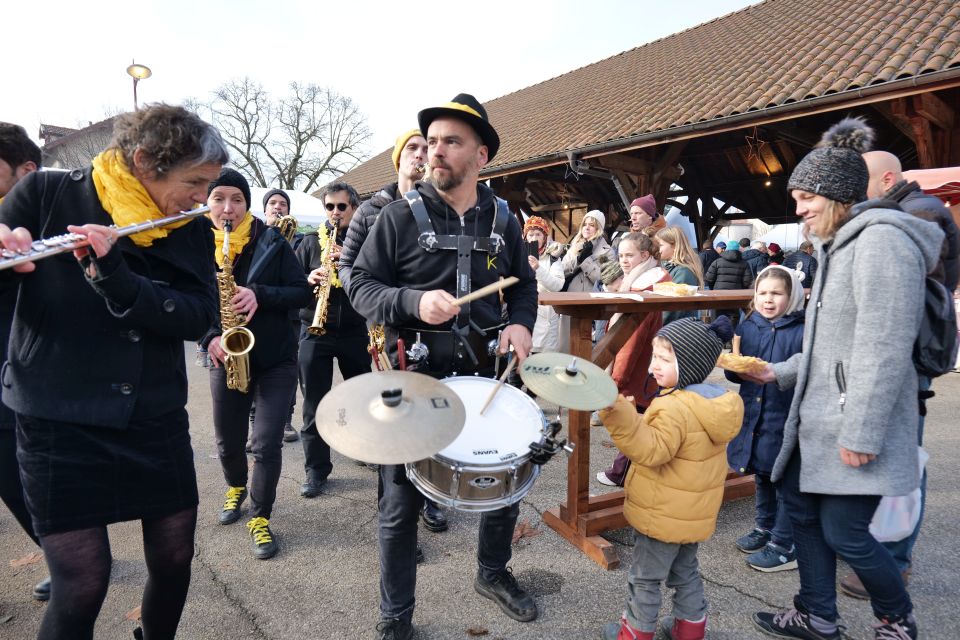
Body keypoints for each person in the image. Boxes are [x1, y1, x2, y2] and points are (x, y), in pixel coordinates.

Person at [0, 105, 227, 639]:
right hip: (59, 418)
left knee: (174, 558)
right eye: (195, 182)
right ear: (146, 161)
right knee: (82, 581)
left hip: (153, 415)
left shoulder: (188, 229)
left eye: (209, 185)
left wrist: (117, 277)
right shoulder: (47, 195)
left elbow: (199, 314)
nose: (203, 198)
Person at [349, 93, 539, 640]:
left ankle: (493, 573)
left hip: (488, 374)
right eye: (431, 142)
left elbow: (523, 286)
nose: (436, 152)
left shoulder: (504, 216)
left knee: (505, 483)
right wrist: (412, 302)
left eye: (451, 142)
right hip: (415, 381)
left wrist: (521, 323)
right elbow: (360, 286)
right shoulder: (395, 217)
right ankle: (396, 618)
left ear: (481, 155)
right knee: (398, 508)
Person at [750, 118, 942, 640]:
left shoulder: (881, 243)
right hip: (816, 420)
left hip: (852, 424)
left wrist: (862, 432)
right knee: (805, 518)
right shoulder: (837, 247)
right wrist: (779, 370)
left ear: (837, 196)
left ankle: (897, 621)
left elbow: (882, 349)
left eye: (807, 197)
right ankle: (817, 615)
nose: (799, 209)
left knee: (846, 533)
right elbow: (828, 346)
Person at [835, 148, 960, 600]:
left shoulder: (919, 213)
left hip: (904, 358)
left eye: (861, 180)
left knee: (903, 458)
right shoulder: (910, 210)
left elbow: (899, 291)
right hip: (898, 354)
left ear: (887, 179)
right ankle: (878, 548)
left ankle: (896, 560)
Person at [599, 317, 743, 640]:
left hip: (662, 515)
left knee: (645, 578)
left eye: (665, 359)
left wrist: (618, 413)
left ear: (690, 364)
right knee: (685, 572)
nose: (653, 366)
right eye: (655, 357)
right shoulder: (712, 403)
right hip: (691, 516)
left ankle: (634, 633)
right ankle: (689, 630)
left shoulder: (674, 408)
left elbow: (651, 450)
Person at [335, 129, 448, 533]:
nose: (421, 155)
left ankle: (432, 499)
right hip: (387, 330)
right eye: (413, 149)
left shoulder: (441, 207)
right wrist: (379, 303)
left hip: (433, 332)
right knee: (395, 423)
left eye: (426, 149)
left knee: (433, 416)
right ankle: (396, 514)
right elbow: (349, 269)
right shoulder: (373, 209)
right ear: (399, 159)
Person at [201, 169, 312, 560]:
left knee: (265, 444)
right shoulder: (194, 244)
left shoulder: (272, 241)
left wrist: (258, 294)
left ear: (248, 204)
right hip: (226, 356)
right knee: (227, 441)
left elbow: (301, 291)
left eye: (237, 200)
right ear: (208, 202)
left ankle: (260, 516)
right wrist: (208, 337)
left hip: (275, 359)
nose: (228, 209)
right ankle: (235, 487)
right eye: (220, 199)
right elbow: (183, 302)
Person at [295, 182, 373, 498]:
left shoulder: (366, 243)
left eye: (342, 207)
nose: (335, 213)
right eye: (330, 207)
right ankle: (316, 470)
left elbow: (378, 280)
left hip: (354, 331)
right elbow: (289, 283)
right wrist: (307, 279)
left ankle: (365, 450)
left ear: (354, 208)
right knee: (314, 403)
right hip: (316, 331)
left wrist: (350, 263)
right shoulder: (310, 243)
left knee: (360, 398)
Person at [0, 123, 51, 602]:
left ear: (25, 170)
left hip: (25, 377)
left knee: (26, 477)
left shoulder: (49, 221)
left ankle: (64, 552)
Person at [726, 265, 805, 573]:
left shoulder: (802, 329)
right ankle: (764, 526)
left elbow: (805, 372)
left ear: (792, 296)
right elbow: (737, 370)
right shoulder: (749, 325)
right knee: (760, 472)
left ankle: (785, 543)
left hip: (784, 415)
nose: (768, 300)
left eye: (777, 293)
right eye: (762, 293)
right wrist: (733, 366)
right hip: (753, 413)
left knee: (783, 478)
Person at [596, 232, 668, 484]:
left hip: (637, 368)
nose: (624, 260)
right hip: (642, 366)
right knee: (639, 420)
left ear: (645, 256)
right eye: (621, 255)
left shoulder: (641, 291)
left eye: (630, 255)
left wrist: (617, 378)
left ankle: (621, 473)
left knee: (633, 423)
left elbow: (631, 341)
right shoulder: (638, 283)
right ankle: (626, 472)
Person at [261, 187, 301, 444]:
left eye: (282, 204)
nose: (278, 207)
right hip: (262, 315)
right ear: (265, 210)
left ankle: (285, 420)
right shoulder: (255, 237)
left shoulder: (299, 241)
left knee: (287, 368)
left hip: (291, 315)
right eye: (273, 203)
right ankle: (257, 422)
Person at [524, 215, 565, 354]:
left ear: (545, 237)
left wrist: (538, 269)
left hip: (546, 319)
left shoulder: (553, 258)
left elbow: (557, 285)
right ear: (526, 237)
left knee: (545, 364)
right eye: (531, 234)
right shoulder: (519, 257)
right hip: (525, 314)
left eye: (538, 234)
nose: (534, 238)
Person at [655, 227, 704, 323]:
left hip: (675, 331)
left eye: (660, 245)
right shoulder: (674, 268)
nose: (657, 250)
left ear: (674, 246)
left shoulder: (683, 272)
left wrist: (654, 325)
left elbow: (674, 308)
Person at [705, 240, 753, 327]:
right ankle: (732, 337)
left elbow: (709, 278)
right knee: (733, 317)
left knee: (718, 317)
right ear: (738, 250)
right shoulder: (744, 264)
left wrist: (713, 289)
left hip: (718, 295)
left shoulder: (717, 262)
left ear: (727, 249)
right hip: (736, 296)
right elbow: (747, 282)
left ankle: (717, 337)